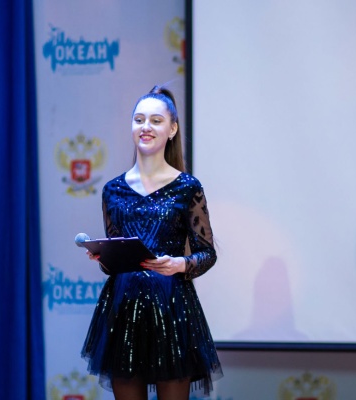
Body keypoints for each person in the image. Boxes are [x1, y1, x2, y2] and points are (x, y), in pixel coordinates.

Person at [81, 86, 222, 400]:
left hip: (172, 307)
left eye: (156, 121)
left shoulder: (187, 187)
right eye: (139, 120)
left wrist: (179, 264)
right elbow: (113, 264)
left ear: (172, 130)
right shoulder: (113, 190)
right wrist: (104, 257)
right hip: (124, 309)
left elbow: (207, 253)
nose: (146, 127)